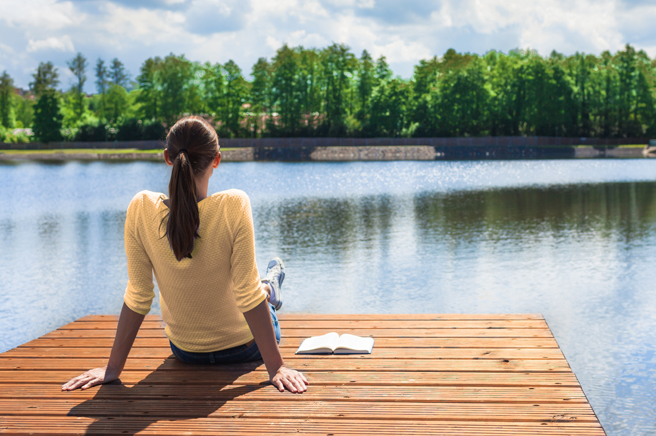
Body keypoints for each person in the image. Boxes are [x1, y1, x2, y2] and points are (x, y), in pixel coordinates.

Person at [62, 116, 308, 394]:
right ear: (216, 160)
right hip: (244, 349)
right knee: (258, 294)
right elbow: (246, 295)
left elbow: (139, 295)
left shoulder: (141, 208)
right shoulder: (234, 204)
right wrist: (276, 367)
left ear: (167, 157)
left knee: (253, 288)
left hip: (186, 351)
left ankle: (267, 287)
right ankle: (270, 289)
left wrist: (113, 369)